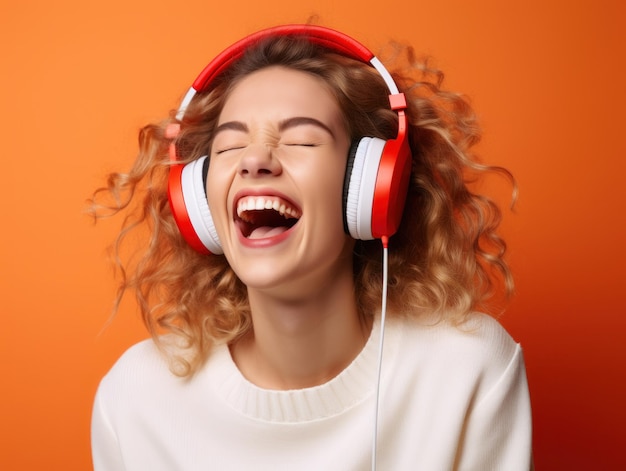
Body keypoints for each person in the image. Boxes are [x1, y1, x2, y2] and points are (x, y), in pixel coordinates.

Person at [90, 24, 533, 470]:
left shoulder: (466, 371)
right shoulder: (135, 401)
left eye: (302, 139)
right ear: (198, 202)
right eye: (230, 145)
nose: (254, 160)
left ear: (371, 186)